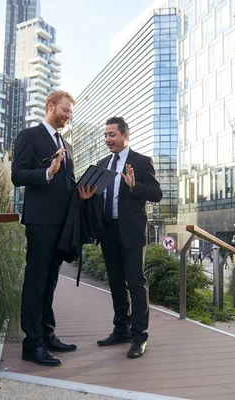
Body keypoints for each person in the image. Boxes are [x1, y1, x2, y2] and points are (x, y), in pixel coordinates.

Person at [12, 90, 95, 367]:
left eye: (70, 111)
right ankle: (31, 344)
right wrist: (48, 172)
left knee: (50, 282)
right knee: (36, 283)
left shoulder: (67, 145)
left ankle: (47, 335)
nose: (68, 115)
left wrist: (81, 194)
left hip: (62, 224)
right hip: (40, 222)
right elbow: (17, 175)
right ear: (50, 106)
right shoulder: (30, 136)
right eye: (65, 109)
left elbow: (67, 183)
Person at [95, 117, 162, 358]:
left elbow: (156, 193)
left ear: (125, 136)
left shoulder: (142, 162)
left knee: (135, 283)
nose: (107, 139)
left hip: (132, 232)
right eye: (105, 135)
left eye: (111, 135)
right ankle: (120, 330)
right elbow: (98, 196)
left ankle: (139, 337)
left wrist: (135, 186)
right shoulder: (102, 163)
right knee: (115, 283)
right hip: (108, 231)